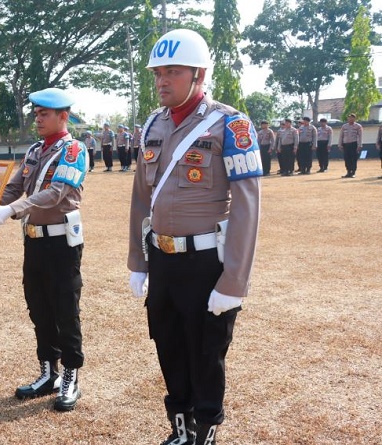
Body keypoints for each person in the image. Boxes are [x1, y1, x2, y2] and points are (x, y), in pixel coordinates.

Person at [127, 29, 262, 445]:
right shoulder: (153, 124)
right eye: (157, 73)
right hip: (163, 259)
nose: (162, 81)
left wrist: (233, 281)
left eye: (172, 72)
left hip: (205, 262)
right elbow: (141, 197)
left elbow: (247, 206)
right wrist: (138, 261)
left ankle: (205, 432)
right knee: (168, 345)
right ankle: (180, 429)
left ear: (199, 74)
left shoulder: (230, 124)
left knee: (206, 353)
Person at [0, 87, 87, 412]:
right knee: (39, 307)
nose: (38, 119)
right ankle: (48, 371)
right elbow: (13, 187)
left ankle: (70, 375)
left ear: (63, 116)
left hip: (61, 242)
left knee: (65, 310)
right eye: (36, 114)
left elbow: (56, 193)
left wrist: (10, 211)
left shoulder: (73, 150)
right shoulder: (35, 150)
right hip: (34, 240)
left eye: (44, 114)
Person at [339, 113, 363, 178]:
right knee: (347, 159)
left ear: (354, 119)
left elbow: (360, 136)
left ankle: (353, 172)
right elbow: (341, 136)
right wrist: (340, 144)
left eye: (352, 118)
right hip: (346, 144)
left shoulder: (358, 126)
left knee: (353, 159)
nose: (350, 119)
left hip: (354, 144)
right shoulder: (344, 126)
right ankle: (348, 172)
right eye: (349, 118)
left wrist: (359, 145)